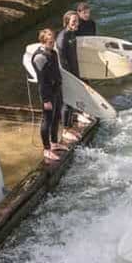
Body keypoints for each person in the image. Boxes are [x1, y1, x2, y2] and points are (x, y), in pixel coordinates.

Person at [31, 29, 67, 161]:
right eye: (50, 42)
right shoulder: (39, 57)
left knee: (57, 116)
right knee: (47, 120)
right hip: (47, 93)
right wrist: (46, 100)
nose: (53, 44)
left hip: (57, 90)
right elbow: (41, 81)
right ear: (43, 41)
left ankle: (54, 142)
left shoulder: (53, 53)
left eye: (53, 42)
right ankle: (46, 149)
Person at [55, 11, 81, 139]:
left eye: (77, 21)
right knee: (67, 102)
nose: (77, 24)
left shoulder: (72, 34)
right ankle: (65, 130)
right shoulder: (62, 38)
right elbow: (62, 61)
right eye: (73, 22)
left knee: (73, 100)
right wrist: (69, 77)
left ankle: (70, 127)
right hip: (67, 74)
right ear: (67, 23)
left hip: (74, 71)